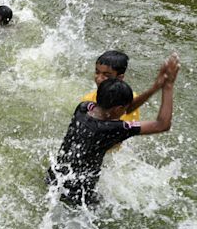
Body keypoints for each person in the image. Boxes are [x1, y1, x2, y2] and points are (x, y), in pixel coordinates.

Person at [47, 53, 180, 206]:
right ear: (118, 109)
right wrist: (168, 86)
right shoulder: (113, 129)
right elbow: (162, 125)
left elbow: (126, 108)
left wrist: (155, 87)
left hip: (56, 177)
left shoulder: (84, 107)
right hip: (79, 193)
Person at [82, 50, 169, 122]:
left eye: (107, 75)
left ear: (120, 78)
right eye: (97, 72)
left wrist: (156, 87)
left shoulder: (129, 99)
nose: (99, 78)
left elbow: (129, 107)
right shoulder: (87, 99)